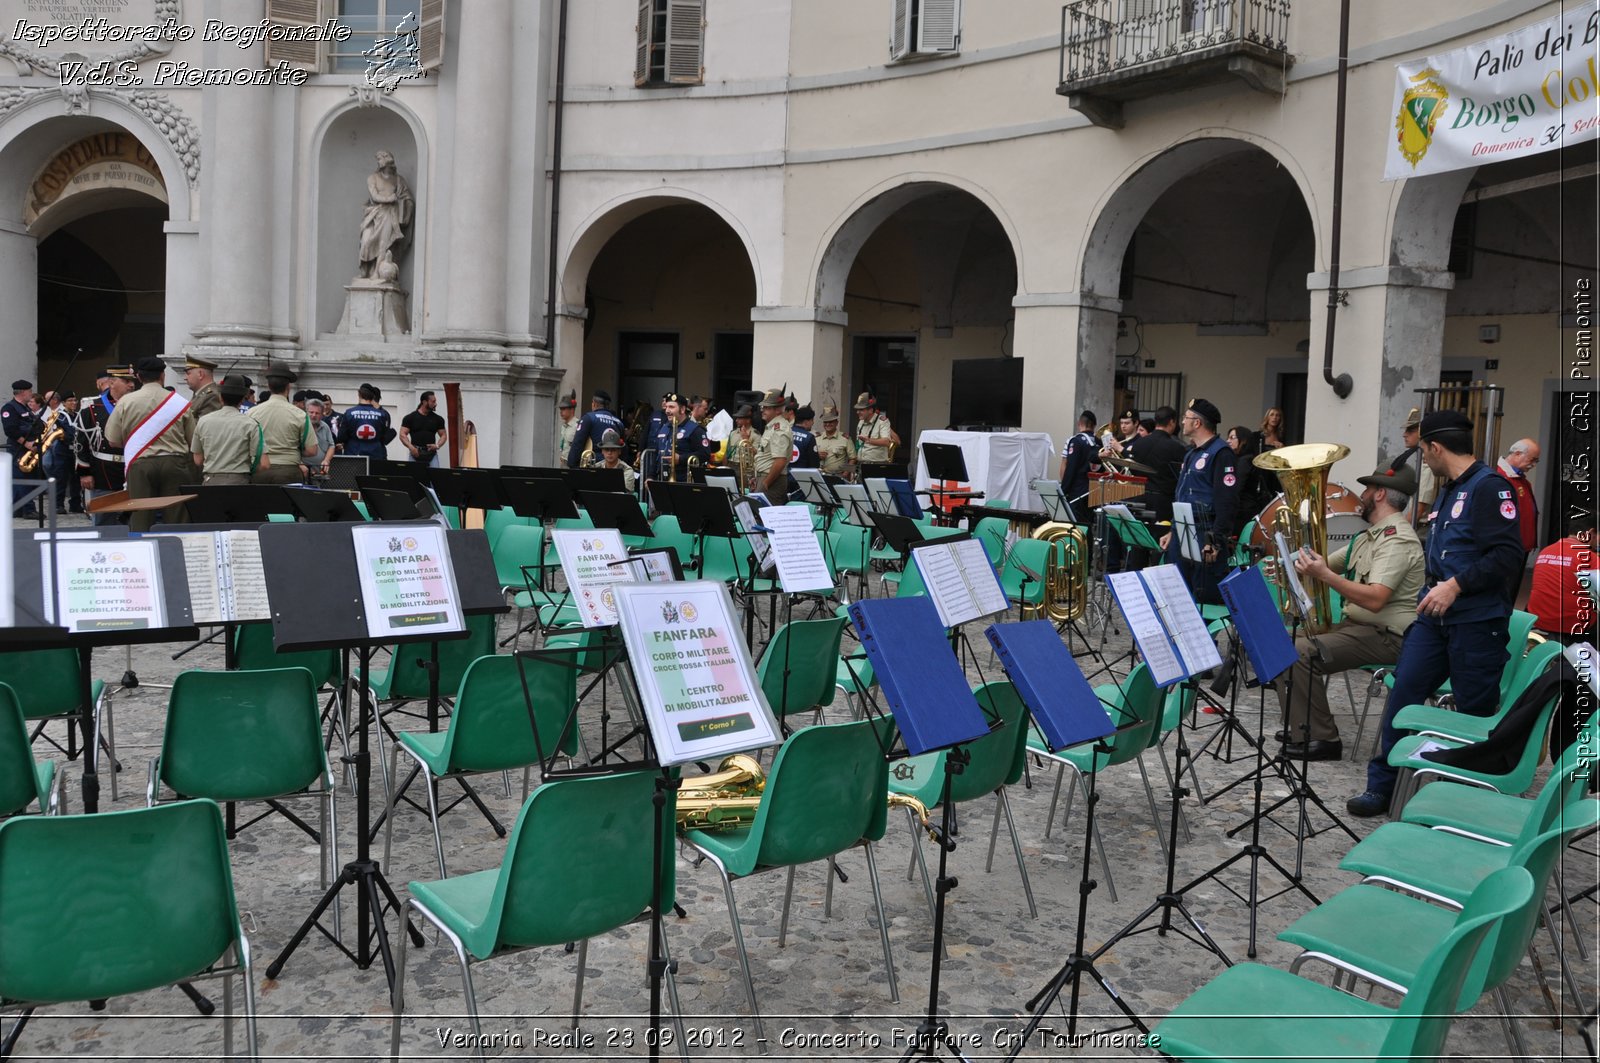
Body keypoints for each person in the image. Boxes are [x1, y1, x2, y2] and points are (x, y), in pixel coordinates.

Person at [1349, 409, 1526, 818]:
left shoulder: (1489, 488)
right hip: (1434, 621)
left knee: (1472, 710)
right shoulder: (1450, 490)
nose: (1423, 459)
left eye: (1424, 450)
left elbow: (1507, 556)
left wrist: (1456, 584)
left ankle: (1461, 797)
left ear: (1436, 447)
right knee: (1404, 694)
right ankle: (1384, 786)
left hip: (1475, 623)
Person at [1272, 464, 1425, 760]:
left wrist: (1324, 575)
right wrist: (1290, 559)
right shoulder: (1367, 537)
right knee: (1282, 640)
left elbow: (1376, 598)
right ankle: (1301, 725)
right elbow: (1322, 564)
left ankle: (1322, 739)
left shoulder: (1397, 539)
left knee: (1300, 651)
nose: (1362, 496)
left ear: (1380, 494)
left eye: (1367, 490)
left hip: (1387, 636)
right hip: (1358, 628)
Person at [1159, 398, 1239, 605]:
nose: (1182, 422)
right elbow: (1183, 495)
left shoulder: (1221, 453)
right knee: (1179, 593)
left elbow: (1227, 501)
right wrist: (1172, 529)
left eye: (1186, 418)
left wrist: (1216, 541)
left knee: (1203, 596)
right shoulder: (1192, 453)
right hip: (1183, 530)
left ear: (1197, 423)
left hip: (1205, 532)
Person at [105, 357, 195, 531]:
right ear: (162, 376)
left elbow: (113, 440)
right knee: (177, 517)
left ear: (138, 377)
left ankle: (140, 550)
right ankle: (177, 550)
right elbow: (192, 441)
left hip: (140, 463)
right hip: (175, 463)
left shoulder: (126, 401)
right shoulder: (180, 403)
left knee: (140, 516)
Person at [73, 366, 133, 524]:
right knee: (104, 518)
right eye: (126, 381)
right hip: (104, 469)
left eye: (133, 381)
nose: (131, 385)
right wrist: (84, 472)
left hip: (132, 468)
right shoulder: (92, 407)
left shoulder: (138, 405)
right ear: (112, 383)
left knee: (133, 518)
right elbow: (81, 441)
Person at [1527, 513, 1597, 645]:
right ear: (1591, 533)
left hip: (1538, 619)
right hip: (1572, 626)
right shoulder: (1590, 558)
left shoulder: (1546, 551)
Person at [191, 375, 264, 486]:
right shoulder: (251, 424)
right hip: (239, 481)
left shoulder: (203, 422)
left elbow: (198, 460)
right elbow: (264, 464)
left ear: (220, 398)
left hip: (211, 480)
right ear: (242, 399)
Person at [250, 368, 318, 484]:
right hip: (289, 471)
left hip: (259, 470)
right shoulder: (299, 414)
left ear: (269, 386)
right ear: (288, 387)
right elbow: (311, 450)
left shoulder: (252, 413)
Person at [359, 150, 414, 280]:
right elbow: (374, 196)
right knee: (366, 240)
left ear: (387, 160)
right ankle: (366, 269)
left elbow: (407, 198)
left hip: (390, 214)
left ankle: (377, 272)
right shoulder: (372, 178)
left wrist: (404, 205)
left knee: (384, 244)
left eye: (380, 158)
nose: (378, 161)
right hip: (374, 215)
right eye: (377, 158)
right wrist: (390, 199)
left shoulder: (398, 180)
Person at [1127, 405, 1185, 522]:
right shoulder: (1176, 447)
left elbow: (1133, 469)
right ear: (1171, 422)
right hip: (1164, 502)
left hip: (1139, 497)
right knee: (1160, 536)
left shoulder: (1138, 444)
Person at [1495, 438, 1541, 554]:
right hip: (1507, 548)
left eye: (1536, 461)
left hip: (1522, 547)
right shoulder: (1497, 476)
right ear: (1517, 454)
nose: (1534, 465)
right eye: (1532, 460)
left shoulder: (1522, 481)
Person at [649, 393, 705, 484]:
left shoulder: (695, 429)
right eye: (666, 407)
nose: (667, 410)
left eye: (671, 407)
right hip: (662, 480)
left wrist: (681, 459)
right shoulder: (664, 427)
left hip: (683, 482)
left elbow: (704, 454)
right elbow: (657, 454)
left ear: (682, 409)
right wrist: (650, 476)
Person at [3, 379, 39, 517]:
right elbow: (10, 430)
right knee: (21, 478)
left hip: (28, 447)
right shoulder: (9, 408)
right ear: (23, 392)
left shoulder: (25, 408)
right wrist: (27, 444)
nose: (31, 394)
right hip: (18, 448)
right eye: (30, 391)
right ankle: (28, 510)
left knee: (27, 477)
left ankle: (17, 509)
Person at [1225, 424, 1268, 536]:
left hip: (1243, 511)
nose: (1228, 441)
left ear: (1243, 440)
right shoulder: (1245, 459)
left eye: (1232, 438)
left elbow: (1237, 487)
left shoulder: (1245, 461)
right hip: (1245, 509)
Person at [567, 390, 625, 469]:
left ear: (594, 403)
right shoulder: (619, 422)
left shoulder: (588, 418)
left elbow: (577, 444)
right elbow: (623, 448)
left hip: (594, 466)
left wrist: (572, 464)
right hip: (613, 467)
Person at [1058, 410, 1100, 519]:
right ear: (1094, 425)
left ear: (1079, 424)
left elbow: (1069, 468)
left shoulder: (1075, 441)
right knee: (1088, 524)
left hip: (1077, 492)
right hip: (1094, 492)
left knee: (1075, 526)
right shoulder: (1099, 443)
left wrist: (1063, 490)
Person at [338, 382, 395, 462]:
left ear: (359, 394)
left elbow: (341, 436)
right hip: (376, 456)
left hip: (353, 455)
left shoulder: (349, 413)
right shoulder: (382, 414)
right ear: (372, 397)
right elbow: (385, 437)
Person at [754, 388, 794, 498]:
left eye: (767, 408)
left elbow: (780, 461)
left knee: (762, 513)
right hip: (766, 477)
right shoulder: (772, 426)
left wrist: (766, 483)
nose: (763, 410)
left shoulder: (779, 429)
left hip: (772, 480)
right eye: (763, 407)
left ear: (778, 410)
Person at [400, 390, 447, 466]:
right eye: (433, 402)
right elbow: (402, 434)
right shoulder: (410, 418)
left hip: (432, 455)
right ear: (425, 402)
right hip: (415, 453)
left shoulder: (438, 419)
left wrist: (437, 446)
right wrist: (411, 447)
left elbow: (444, 435)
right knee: (412, 477)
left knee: (435, 476)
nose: (435, 404)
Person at [853, 392, 894, 465]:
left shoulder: (882, 421)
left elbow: (887, 442)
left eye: (861, 410)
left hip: (876, 465)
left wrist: (868, 440)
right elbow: (858, 445)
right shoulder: (860, 422)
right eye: (857, 409)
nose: (857, 412)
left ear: (871, 410)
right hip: (861, 464)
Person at [725, 404, 759, 489]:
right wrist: (725, 467)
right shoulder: (733, 433)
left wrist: (746, 439)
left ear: (748, 420)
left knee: (744, 491)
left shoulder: (755, 435)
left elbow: (757, 454)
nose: (736, 420)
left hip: (745, 469)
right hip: (731, 465)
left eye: (740, 418)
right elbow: (727, 452)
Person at [596, 428, 637, 492]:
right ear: (602, 451)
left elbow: (624, 494)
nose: (609, 453)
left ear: (619, 451)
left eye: (613, 449)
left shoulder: (627, 470)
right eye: (607, 449)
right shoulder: (596, 467)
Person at [815, 404, 851, 478]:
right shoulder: (816, 438)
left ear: (836, 423)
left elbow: (853, 459)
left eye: (831, 421)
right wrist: (816, 456)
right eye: (825, 422)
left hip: (838, 476)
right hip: (820, 476)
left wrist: (846, 473)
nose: (828, 424)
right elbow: (809, 457)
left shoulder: (845, 438)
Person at [184, 355, 222, 420]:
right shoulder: (201, 394)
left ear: (200, 374)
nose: (185, 378)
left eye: (188, 373)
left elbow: (204, 426)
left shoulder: (212, 396)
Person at [306, 399, 335, 478]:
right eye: (311, 412)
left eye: (317, 413)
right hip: (303, 471)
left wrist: (326, 460)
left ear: (322, 415)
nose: (314, 415)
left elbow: (331, 445)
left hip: (320, 473)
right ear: (306, 412)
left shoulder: (325, 427)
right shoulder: (300, 427)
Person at [792, 405, 819, 470]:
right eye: (812, 420)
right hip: (801, 477)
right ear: (806, 422)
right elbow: (814, 464)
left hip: (784, 476)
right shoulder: (809, 437)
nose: (813, 423)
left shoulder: (785, 432)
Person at [556, 390, 578, 466]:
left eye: (564, 409)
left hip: (572, 463)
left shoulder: (577, 426)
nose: (561, 412)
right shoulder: (564, 426)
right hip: (563, 461)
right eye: (561, 409)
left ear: (572, 409)